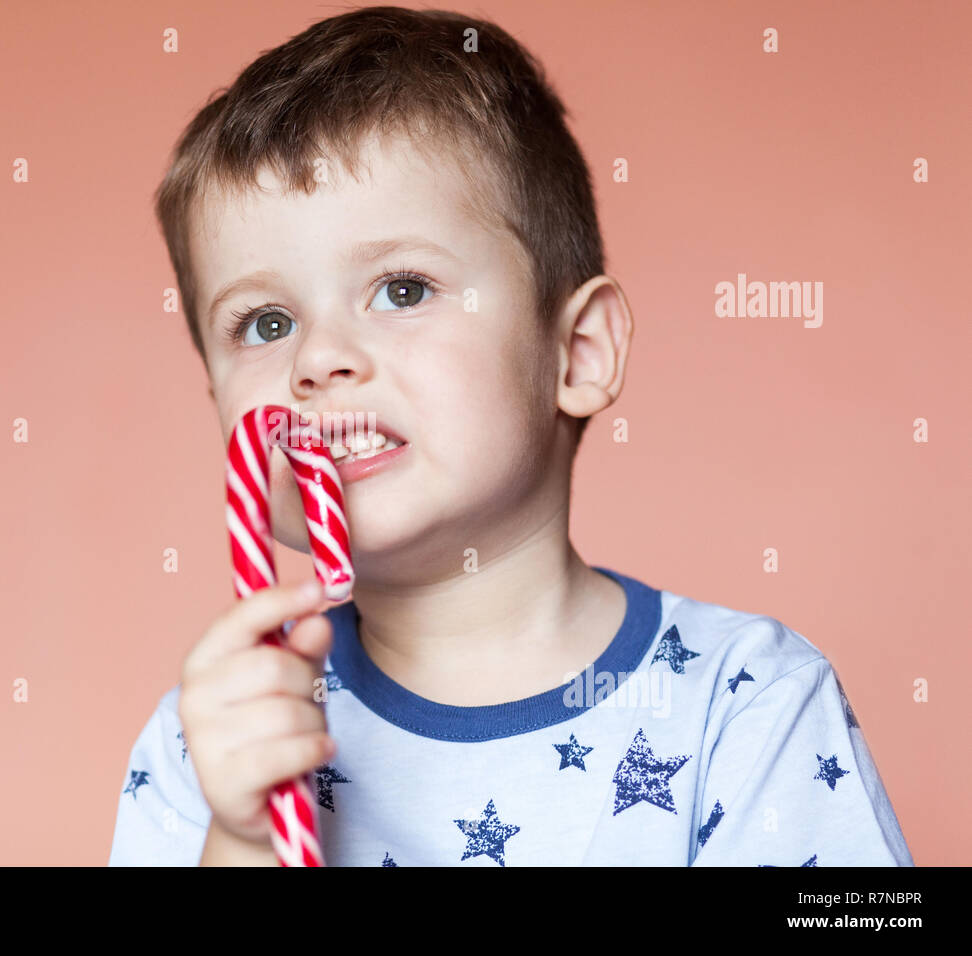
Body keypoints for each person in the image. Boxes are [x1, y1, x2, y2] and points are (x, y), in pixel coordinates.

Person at [109, 6, 913, 866]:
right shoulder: (217, 740)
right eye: (265, 323)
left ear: (578, 351)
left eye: (403, 289)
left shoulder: (746, 701)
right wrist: (239, 840)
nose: (319, 358)